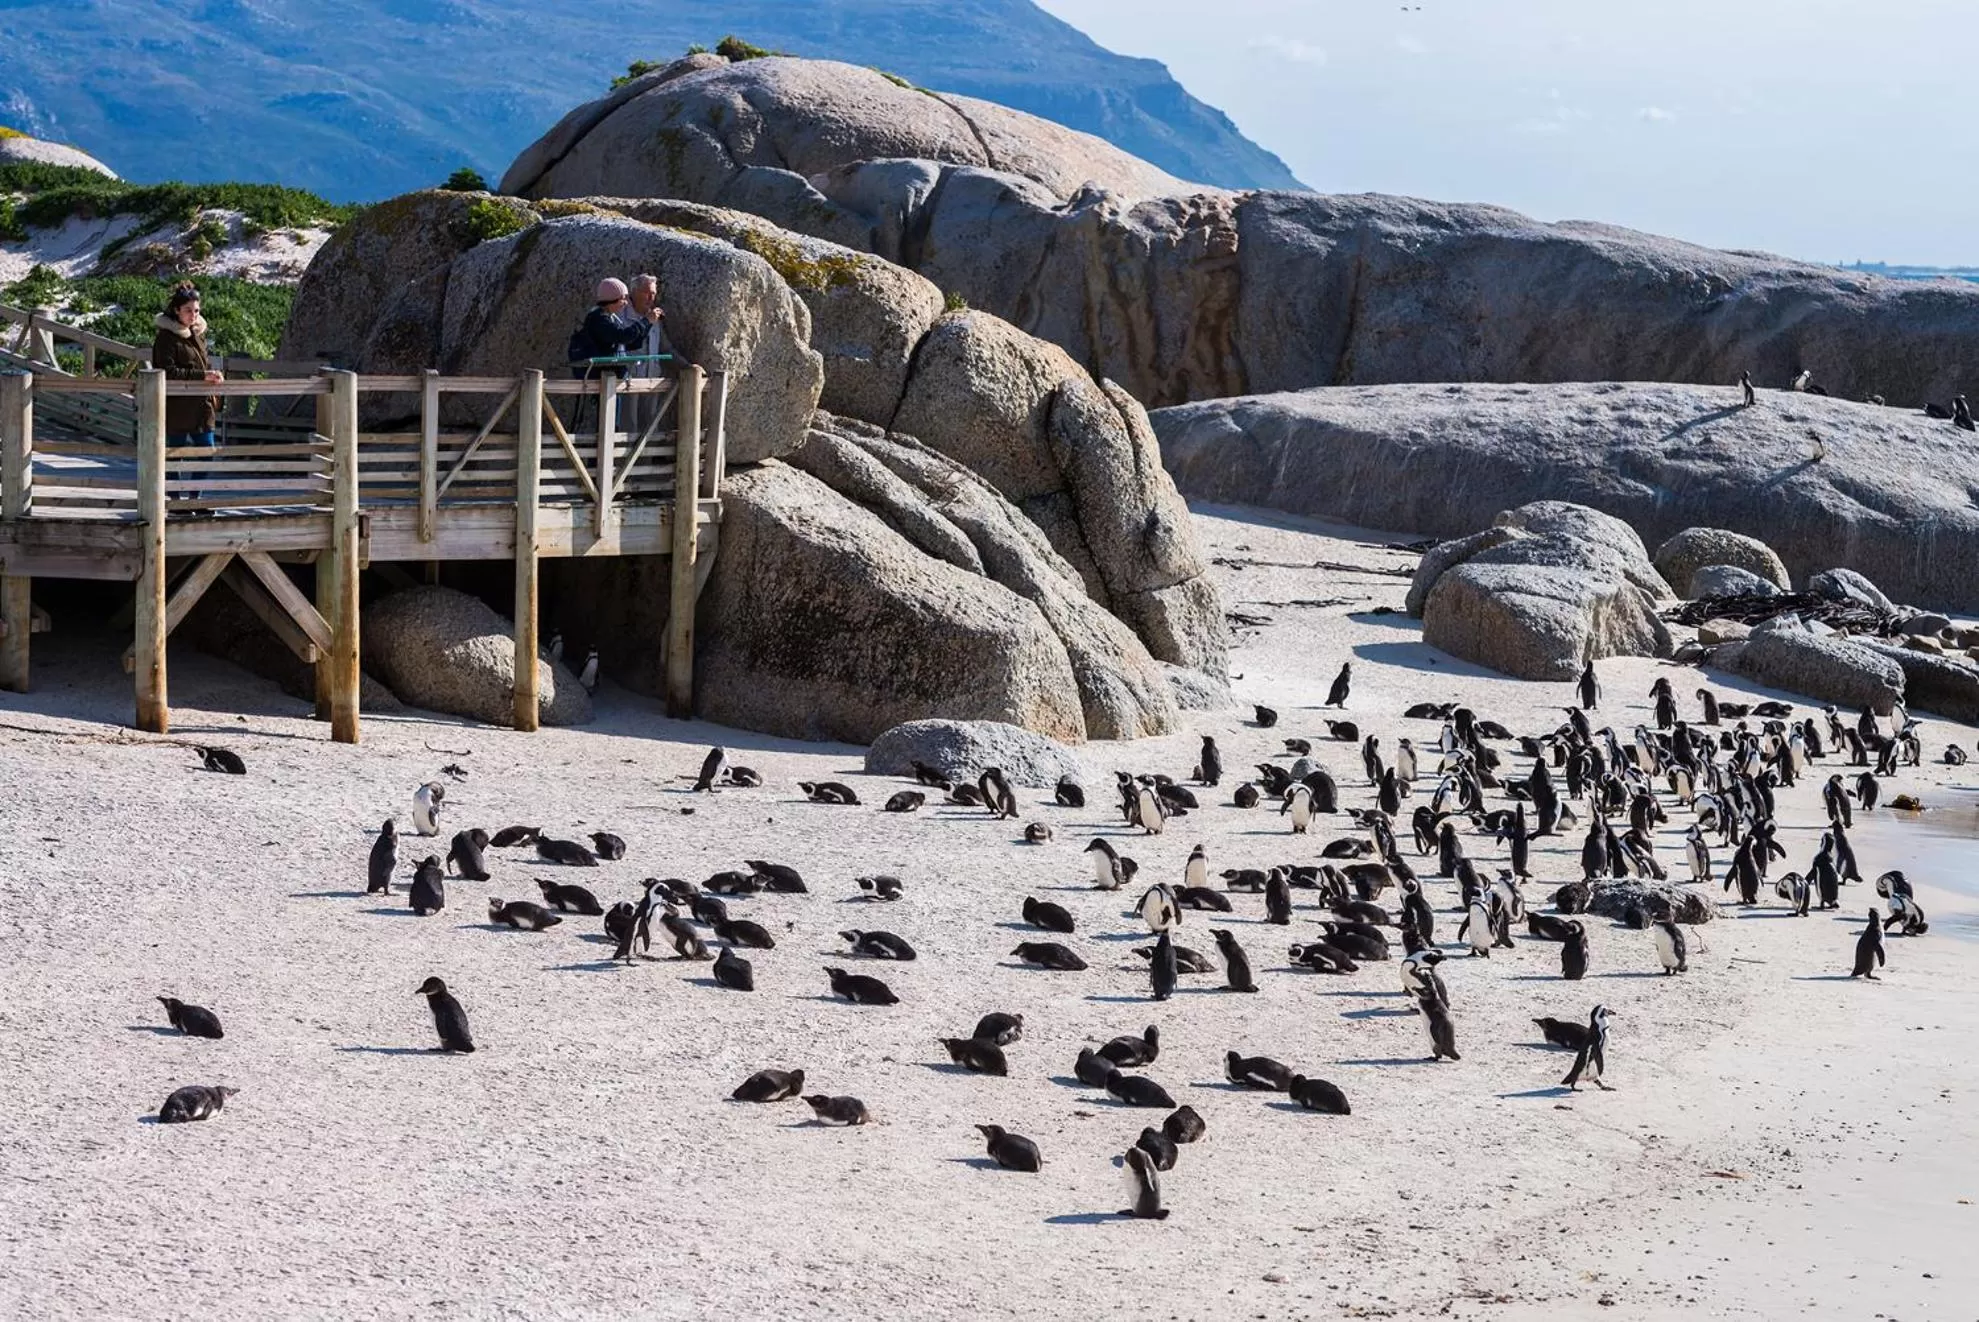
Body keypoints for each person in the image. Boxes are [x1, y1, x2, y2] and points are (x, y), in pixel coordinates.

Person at [151, 282, 222, 510]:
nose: (194, 315)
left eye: (197, 310)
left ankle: (194, 498)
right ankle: (174, 501)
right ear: (177, 311)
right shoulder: (166, 338)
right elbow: (167, 371)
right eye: (189, 310)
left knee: (207, 451)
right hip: (178, 405)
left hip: (202, 405)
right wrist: (203, 375)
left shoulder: (197, 334)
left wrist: (212, 376)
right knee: (174, 454)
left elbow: (202, 364)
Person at [565, 278, 652, 381]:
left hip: (610, 377)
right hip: (598, 379)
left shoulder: (612, 318)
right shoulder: (598, 318)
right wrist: (646, 321)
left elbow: (630, 343)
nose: (626, 303)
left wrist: (649, 324)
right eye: (623, 299)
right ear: (612, 299)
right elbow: (622, 337)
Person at [626, 273, 676, 429]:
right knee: (628, 427)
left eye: (653, 294)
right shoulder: (621, 317)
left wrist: (688, 366)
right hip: (628, 382)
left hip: (652, 381)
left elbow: (666, 348)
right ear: (633, 293)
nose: (651, 298)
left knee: (649, 427)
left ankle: (648, 454)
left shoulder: (655, 320)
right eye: (646, 293)